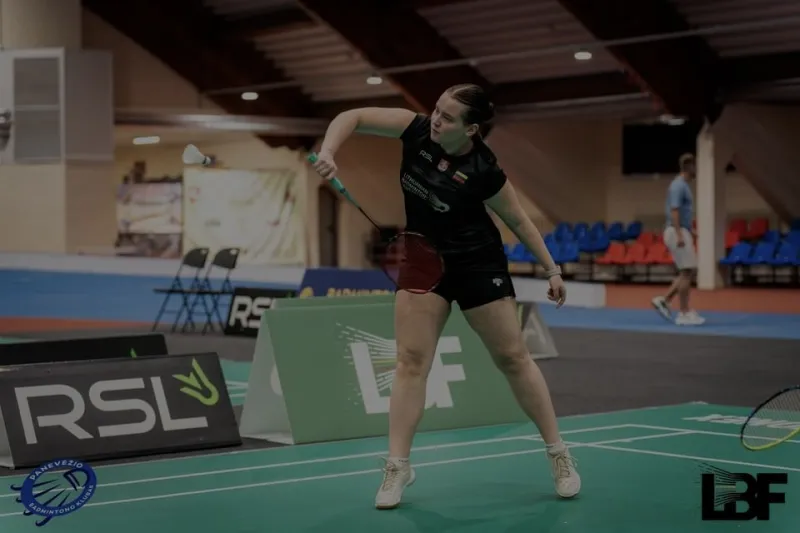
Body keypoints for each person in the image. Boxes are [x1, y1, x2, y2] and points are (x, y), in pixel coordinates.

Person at [310, 83, 581, 509]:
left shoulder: (484, 169)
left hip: (477, 262)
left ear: (470, 129)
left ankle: (558, 452)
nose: (436, 119)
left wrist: (552, 270)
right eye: (437, 109)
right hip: (423, 258)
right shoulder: (415, 129)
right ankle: (398, 465)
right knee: (410, 362)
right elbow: (353, 117)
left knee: (513, 358)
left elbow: (519, 221)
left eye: (447, 117)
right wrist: (329, 151)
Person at [651, 153, 706, 326]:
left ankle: (664, 300)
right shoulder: (678, 185)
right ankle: (684, 313)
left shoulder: (683, 186)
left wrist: (690, 230)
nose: (697, 170)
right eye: (695, 166)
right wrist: (680, 234)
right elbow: (674, 210)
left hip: (681, 230)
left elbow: (681, 212)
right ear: (689, 166)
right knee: (687, 271)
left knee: (686, 271)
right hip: (676, 232)